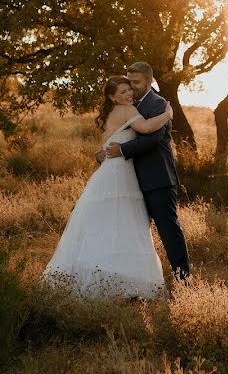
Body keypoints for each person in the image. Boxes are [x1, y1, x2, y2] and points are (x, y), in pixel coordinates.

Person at [41, 75, 173, 299]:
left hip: (107, 172)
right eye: (122, 92)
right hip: (120, 173)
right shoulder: (127, 111)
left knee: (104, 224)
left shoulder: (109, 114)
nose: (128, 94)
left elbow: (103, 148)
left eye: (129, 90)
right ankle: (120, 281)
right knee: (123, 223)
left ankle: (100, 276)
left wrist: (101, 155)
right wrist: (168, 114)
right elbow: (148, 128)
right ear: (113, 97)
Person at [100, 61, 191, 282]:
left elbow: (152, 139)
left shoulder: (158, 104)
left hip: (157, 178)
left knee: (168, 231)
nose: (131, 87)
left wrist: (121, 149)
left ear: (149, 81)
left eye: (136, 82)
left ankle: (184, 280)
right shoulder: (124, 104)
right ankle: (132, 281)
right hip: (130, 180)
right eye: (128, 82)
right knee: (132, 233)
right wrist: (102, 153)